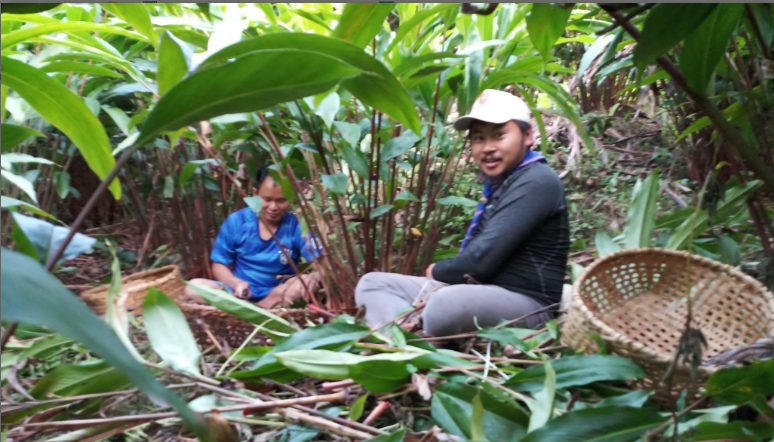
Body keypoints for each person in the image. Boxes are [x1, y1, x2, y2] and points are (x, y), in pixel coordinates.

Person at [355, 89, 569, 336]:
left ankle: (412, 331)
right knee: (372, 284)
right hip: (480, 293)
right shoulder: (502, 183)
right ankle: (404, 336)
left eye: (499, 135)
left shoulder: (537, 180)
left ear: (527, 135)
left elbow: (480, 261)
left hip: (529, 305)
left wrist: (436, 271)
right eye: (478, 138)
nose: (487, 147)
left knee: (444, 305)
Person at [184, 166, 319, 309]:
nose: (273, 207)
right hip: (239, 292)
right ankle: (248, 307)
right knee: (193, 287)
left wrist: (312, 278)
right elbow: (219, 265)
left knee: (302, 283)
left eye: (281, 200)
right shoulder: (236, 221)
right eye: (267, 199)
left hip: (279, 293)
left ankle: (252, 310)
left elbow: (324, 266)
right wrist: (236, 283)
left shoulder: (297, 225)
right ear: (255, 194)